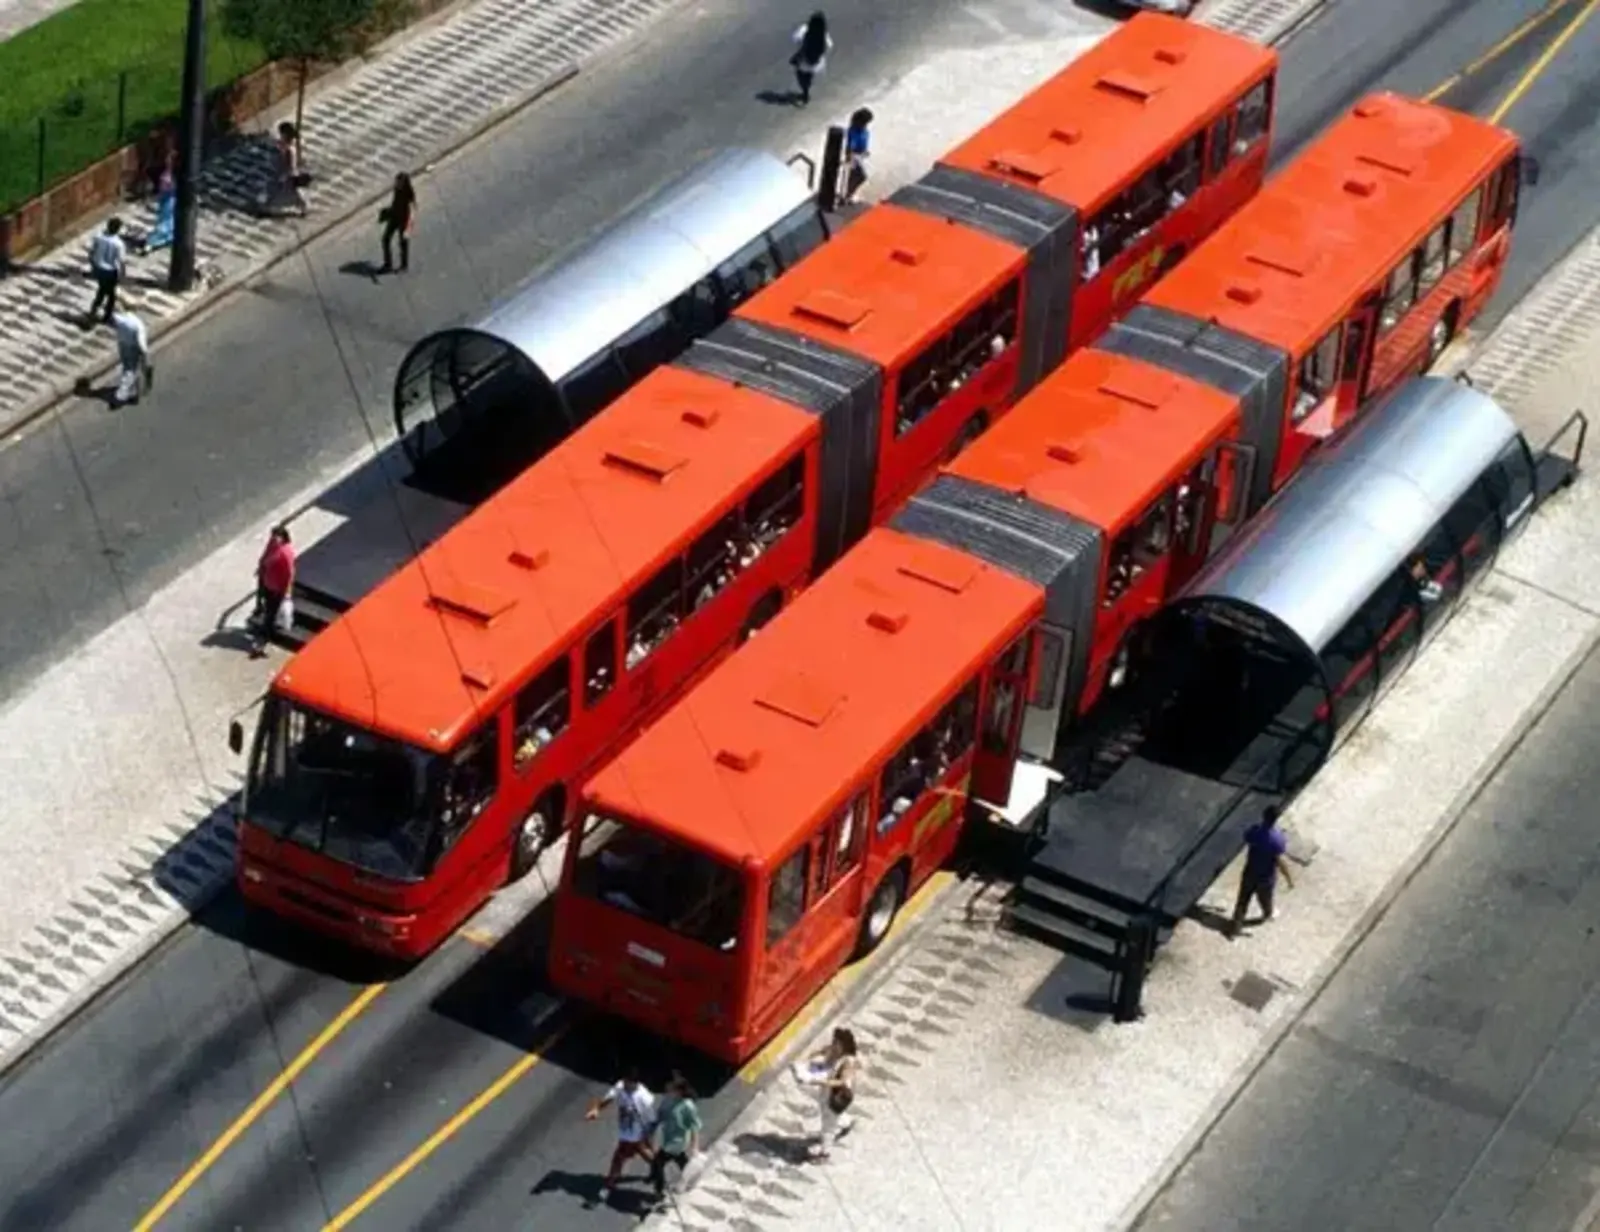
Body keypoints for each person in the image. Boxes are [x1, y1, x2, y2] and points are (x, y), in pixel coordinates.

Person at [585, 1069, 656, 1202]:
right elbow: (610, 1097)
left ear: (634, 1083)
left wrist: (648, 1137)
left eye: (627, 1083)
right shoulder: (621, 1086)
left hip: (635, 1134)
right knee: (642, 1152)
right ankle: (657, 1169)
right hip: (626, 1131)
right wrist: (597, 1109)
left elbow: (651, 1121)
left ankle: (608, 1185)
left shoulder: (644, 1098)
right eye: (624, 1081)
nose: (624, 1085)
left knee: (618, 1158)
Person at [1227, 805, 1294, 938]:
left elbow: (1247, 837)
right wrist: (1289, 879)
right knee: (1265, 899)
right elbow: (1279, 861)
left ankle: (1235, 927)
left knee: (1242, 901)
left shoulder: (1254, 831)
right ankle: (1267, 914)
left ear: (1263, 816)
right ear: (1276, 819)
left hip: (1250, 872)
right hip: (1266, 878)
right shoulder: (1278, 839)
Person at [792, 1026, 859, 1159]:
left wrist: (821, 1082)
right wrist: (811, 1058)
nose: (834, 1046)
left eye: (837, 1044)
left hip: (837, 1095)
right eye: (834, 1042)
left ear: (844, 1045)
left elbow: (842, 1082)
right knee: (831, 1115)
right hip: (827, 1091)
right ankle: (846, 1123)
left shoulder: (848, 1062)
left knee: (828, 1123)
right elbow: (822, 1051)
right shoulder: (834, 1050)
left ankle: (824, 1153)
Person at [648, 1073, 703, 1207]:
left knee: (658, 1163)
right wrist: (652, 1130)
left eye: (670, 1088)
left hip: (678, 1142)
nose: (667, 1089)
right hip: (668, 1139)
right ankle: (689, 1178)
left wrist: (694, 1146)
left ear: (679, 1091)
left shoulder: (687, 1106)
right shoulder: (667, 1100)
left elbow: (694, 1126)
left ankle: (659, 1191)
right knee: (681, 1161)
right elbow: (660, 1115)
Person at [252, 526, 296, 657]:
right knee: (267, 608)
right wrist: (261, 567)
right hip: (266, 581)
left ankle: (265, 637)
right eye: (273, 536)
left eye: (277, 536)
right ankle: (267, 631)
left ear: (283, 537)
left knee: (270, 613)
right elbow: (265, 555)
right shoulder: (273, 545)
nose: (274, 539)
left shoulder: (286, 552)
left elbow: (289, 573)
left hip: (276, 588)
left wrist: (286, 589)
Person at [87, 218, 127, 325]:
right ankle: (107, 316)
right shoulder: (119, 243)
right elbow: (121, 261)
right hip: (110, 271)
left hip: (99, 268)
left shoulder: (99, 237)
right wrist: (122, 275)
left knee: (102, 290)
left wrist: (92, 265)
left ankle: (94, 310)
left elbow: (91, 252)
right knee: (111, 295)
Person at [109, 309, 151, 408]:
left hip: (122, 344)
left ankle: (128, 393)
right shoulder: (138, 325)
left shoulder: (121, 318)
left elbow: (112, 320)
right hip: (132, 347)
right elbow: (142, 344)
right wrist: (145, 356)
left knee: (127, 367)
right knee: (130, 369)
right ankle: (123, 396)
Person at [790, 12, 832, 106]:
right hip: (816, 63)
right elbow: (829, 46)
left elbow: (794, 38)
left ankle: (805, 91)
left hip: (803, 61)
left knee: (801, 76)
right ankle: (806, 89)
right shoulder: (823, 35)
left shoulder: (804, 31)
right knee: (809, 76)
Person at [379, 172, 418, 273]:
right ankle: (388, 264)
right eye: (396, 181)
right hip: (394, 216)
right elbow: (395, 202)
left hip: (404, 220)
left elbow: (413, 209)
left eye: (398, 182)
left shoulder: (409, 193)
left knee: (403, 243)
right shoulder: (396, 189)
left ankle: (404, 265)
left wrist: (409, 227)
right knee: (385, 239)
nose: (396, 183)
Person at [843, 107, 872, 204]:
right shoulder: (854, 131)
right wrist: (850, 158)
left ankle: (848, 195)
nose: (866, 124)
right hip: (855, 156)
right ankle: (849, 194)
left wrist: (865, 152)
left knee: (854, 177)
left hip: (860, 156)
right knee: (861, 176)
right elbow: (850, 146)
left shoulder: (863, 130)